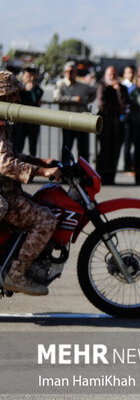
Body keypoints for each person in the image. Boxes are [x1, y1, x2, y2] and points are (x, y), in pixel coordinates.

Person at [0, 71, 59, 295]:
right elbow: (6, 165)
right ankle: (16, 275)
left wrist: (41, 161)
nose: (17, 101)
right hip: (4, 196)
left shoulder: (4, 124)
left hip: (8, 190)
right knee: (45, 220)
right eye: (13, 96)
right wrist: (43, 171)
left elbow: (13, 156)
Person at [53, 61, 95, 163]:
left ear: (76, 72)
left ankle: (83, 173)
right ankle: (65, 173)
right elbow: (56, 98)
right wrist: (73, 99)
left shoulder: (83, 86)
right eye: (67, 71)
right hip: (67, 122)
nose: (69, 73)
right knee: (67, 148)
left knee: (83, 149)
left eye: (72, 71)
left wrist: (85, 101)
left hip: (80, 121)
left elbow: (94, 91)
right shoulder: (61, 84)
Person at [96, 66, 128, 185]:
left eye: (114, 75)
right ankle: (100, 177)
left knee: (115, 152)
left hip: (117, 126)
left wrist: (118, 89)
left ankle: (111, 178)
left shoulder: (122, 88)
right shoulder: (102, 87)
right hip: (105, 125)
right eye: (110, 74)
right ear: (105, 75)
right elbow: (102, 104)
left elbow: (124, 104)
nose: (112, 77)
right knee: (104, 151)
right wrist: (118, 108)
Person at [12, 68, 43, 156]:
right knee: (18, 146)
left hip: (33, 122)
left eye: (31, 75)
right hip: (21, 121)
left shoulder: (37, 89)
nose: (29, 77)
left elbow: (35, 99)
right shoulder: (18, 89)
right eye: (27, 75)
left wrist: (31, 87)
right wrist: (24, 88)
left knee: (33, 148)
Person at [121, 65, 137, 172]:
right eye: (128, 73)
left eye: (132, 72)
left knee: (133, 143)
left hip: (133, 117)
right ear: (124, 74)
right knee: (126, 143)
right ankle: (127, 166)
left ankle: (132, 165)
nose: (131, 75)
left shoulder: (135, 87)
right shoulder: (122, 86)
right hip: (124, 117)